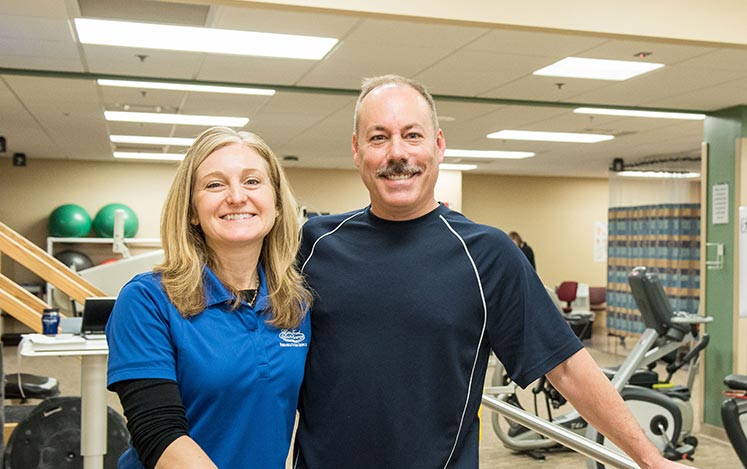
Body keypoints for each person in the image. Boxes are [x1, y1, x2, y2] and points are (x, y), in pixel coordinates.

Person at [293, 75, 691, 469]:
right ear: (356, 149)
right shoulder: (313, 244)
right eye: (378, 137)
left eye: (412, 135)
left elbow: (567, 366)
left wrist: (650, 459)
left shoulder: (488, 254)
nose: (397, 153)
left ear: (439, 145)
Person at [106, 127, 311, 468]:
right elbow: (159, 434)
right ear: (191, 210)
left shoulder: (295, 304)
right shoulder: (147, 300)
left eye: (252, 181)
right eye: (215, 184)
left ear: (276, 204)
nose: (236, 196)